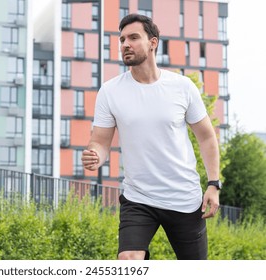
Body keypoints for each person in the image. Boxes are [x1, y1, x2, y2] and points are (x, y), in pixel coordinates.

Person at [81, 14, 221, 260]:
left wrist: (213, 184)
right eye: (122, 39)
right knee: (128, 260)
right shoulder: (110, 91)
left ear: (153, 42)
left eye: (134, 37)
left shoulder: (182, 87)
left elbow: (207, 137)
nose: (125, 44)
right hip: (138, 198)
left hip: (184, 198)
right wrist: (95, 155)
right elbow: (100, 142)